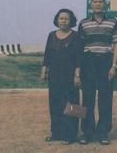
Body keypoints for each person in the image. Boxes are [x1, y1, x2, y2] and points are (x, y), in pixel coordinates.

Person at [78, 0, 117, 145]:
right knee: (87, 99)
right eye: (95, 2)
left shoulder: (113, 22)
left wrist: (114, 65)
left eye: (100, 2)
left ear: (105, 4)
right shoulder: (84, 23)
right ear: (91, 4)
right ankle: (87, 132)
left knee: (105, 99)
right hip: (88, 62)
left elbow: (116, 43)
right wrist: (78, 70)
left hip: (105, 62)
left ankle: (103, 132)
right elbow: (80, 46)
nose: (98, 4)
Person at [40, 9, 83, 145]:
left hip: (70, 77)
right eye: (61, 18)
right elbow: (47, 55)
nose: (63, 21)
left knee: (72, 106)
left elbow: (79, 58)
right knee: (55, 106)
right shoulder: (51, 35)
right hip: (54, 77)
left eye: (66, 19)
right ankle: (56, 133)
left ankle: (70, 136)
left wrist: (77, 75)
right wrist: (43, 72)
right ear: (57, 19)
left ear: (71, 21)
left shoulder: (76, 36)